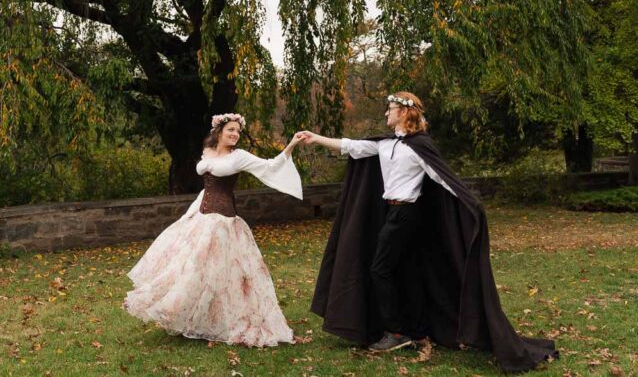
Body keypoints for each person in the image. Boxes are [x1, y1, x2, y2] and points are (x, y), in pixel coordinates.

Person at [300, 92, 558, 373]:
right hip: (391, 213)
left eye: (390, 108)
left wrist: (470, 205)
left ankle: (397, 332)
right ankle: (416, 327)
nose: (386, 113)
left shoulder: (420, 146)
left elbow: (442, 177)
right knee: (405, 270)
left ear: (404, 112)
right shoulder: (385, 144)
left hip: (406, 215)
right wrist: (315, 137)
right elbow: (351, 146)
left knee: (379, 269)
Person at [123, 113, 303, 347]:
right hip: (202, 217)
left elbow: (271, 165)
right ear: (219, 132)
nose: (235, 134)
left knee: (219, 273)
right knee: (190, 268)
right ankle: (191, 315)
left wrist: (292, 144)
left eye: (238, 131)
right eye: (231, 130)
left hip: (222, 223)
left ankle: (222, 320)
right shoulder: (207, 152)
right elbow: (206, 187)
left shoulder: (239, 157)